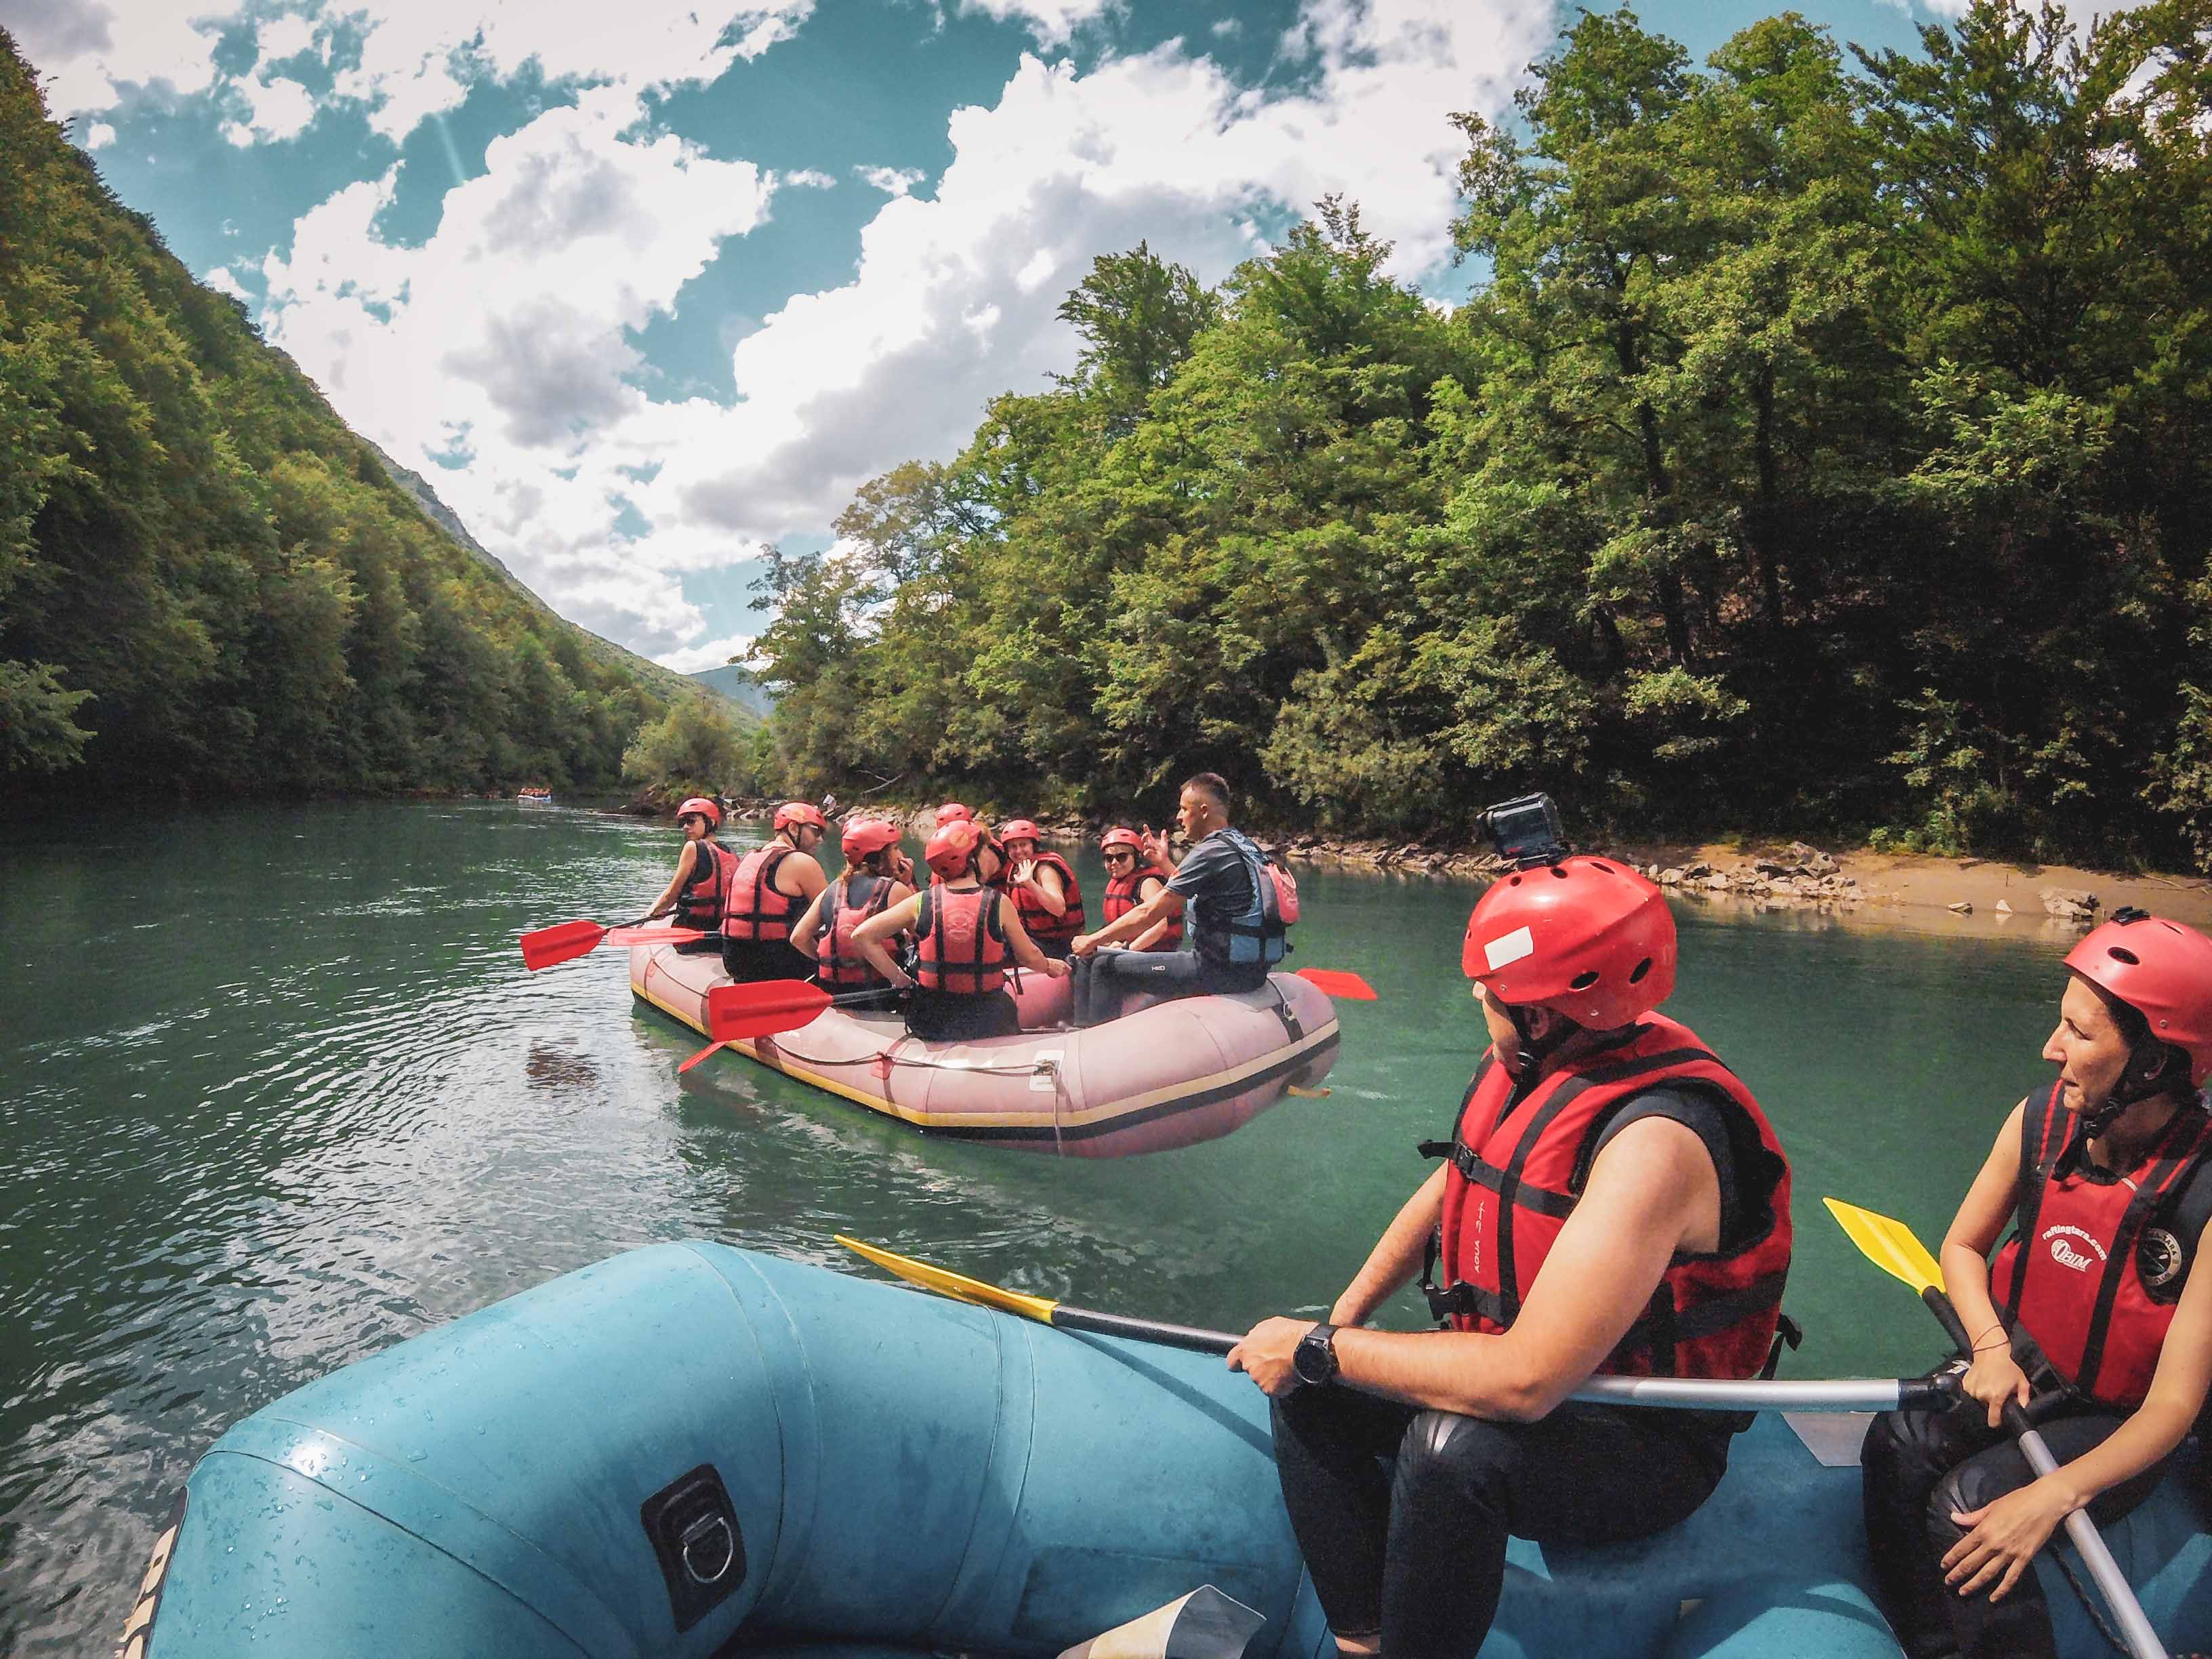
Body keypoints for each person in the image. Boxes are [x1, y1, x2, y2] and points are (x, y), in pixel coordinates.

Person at [1225, 855, 1793, 1659]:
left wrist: (1321, 1350)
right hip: (1539, 1385)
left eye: (1490, 990)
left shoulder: (1655, 1145)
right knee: (1313, 1393)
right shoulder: (1531, 1063)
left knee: (1452, 1450)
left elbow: (1524, 1384)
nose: (1476, 997)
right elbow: (1451, 1189)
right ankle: (1363, 1640)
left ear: (1544, 1013)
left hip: (1646, 1436)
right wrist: (1338, 1327)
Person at [1861, 909, 2212, 1659]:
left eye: (2080, 1035)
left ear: (2152, 1063)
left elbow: (2176, 1405)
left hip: (2123, 1420)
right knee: (1898, 1441)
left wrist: (2058, 1493)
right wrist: (1990, 1347)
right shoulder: (2040, 1120)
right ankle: (1929, 1643)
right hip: (2024, 1370)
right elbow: (1961, 1246)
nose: (2051, 1048)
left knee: (1975, 1502)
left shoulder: (2205, 1192)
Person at [1067, 773, 1285, 1027]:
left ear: (1203, 811)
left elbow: (1149, 913)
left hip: (1217, 971)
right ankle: (1085, 1035)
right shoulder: (1242, 846)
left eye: (1183, 809)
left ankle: (1090, 1048)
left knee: (1104, 966)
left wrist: (1093, 940)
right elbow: (1193, 894)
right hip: (1252, 970)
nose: (1179, 817)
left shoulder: (1209, 852)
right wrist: (1163, 862)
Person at [851, 819, 1069, 1042]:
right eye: (983, 849)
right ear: (971, 859)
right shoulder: (998, 903)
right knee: (1004, 1008)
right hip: (985, 1017)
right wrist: (1049, 966)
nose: (989, 854)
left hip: (932, 1017)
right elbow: (1029, 956)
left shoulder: (921, 901)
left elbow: (862, 936)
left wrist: (903, 980)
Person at [790, 819, 916, 1011]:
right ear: (880, 855)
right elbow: (925, 936)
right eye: (895, 848)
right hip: (881, 995)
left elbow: (798, 937)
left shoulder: (831, 890)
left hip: (834, 991)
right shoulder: (896, 890)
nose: (901, 854)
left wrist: (829, 961)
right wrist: (908, 885)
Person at [718, 801, 830, 983]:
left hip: (734, 960)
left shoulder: (750, 856)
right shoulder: (802, 862)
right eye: (816, 831)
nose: (820, 839)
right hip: (779, 964)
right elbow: (835, 916)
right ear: (793, 827)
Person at [644, 796, 735, 955]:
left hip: (689, 939)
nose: (686, 827)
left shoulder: (692, 847)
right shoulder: (731, 853)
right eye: (683, 823)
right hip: (718, 939)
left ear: (711, 823)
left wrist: (652, 913)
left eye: (691, 821)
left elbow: (672, 894)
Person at [997, 819, 1086, 960]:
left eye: (1023, 845)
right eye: (1013, 847)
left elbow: (1059, 908)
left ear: (1033, 845)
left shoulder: (1045, 869)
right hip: (1033, 939)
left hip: (1058, 944)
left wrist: (1031, 884)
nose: (1018, 851)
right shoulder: (1015, 869)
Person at [1097, 826, 1181, 951]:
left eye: (1121, 857)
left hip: (1155, 954)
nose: (1114, 862)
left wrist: (1126, 950)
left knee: (1099, 965)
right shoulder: (1118, 884)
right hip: (1129, 949)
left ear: (1136, 858)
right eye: (1109, 858)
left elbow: (1160, 927)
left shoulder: (1148, 883)